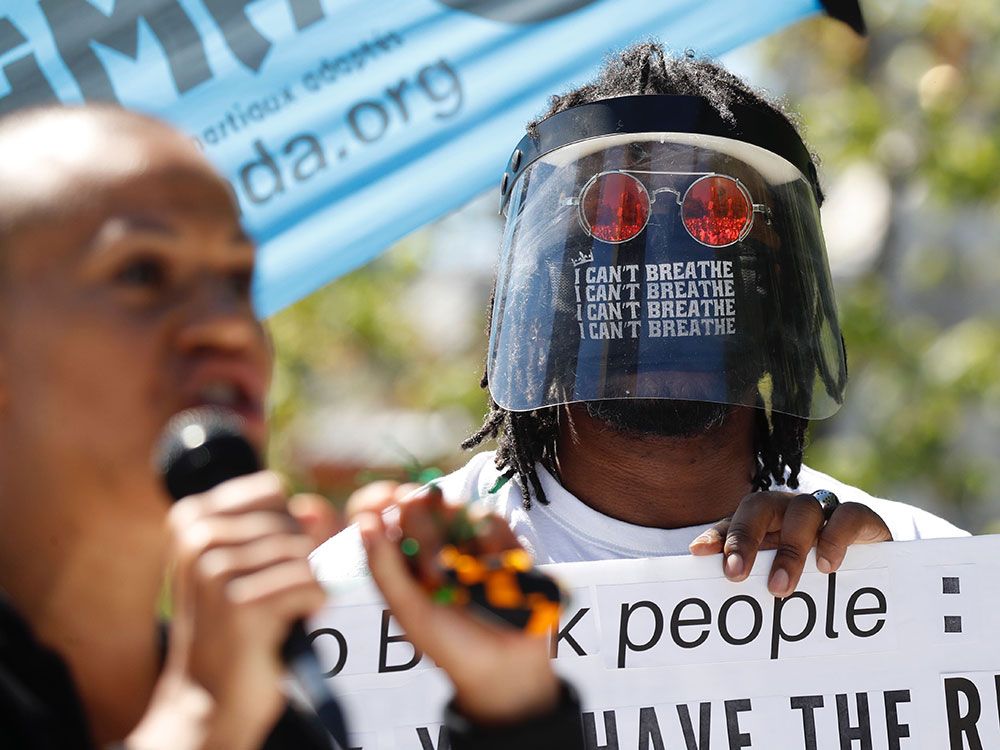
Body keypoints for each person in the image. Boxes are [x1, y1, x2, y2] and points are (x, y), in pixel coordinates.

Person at [0, 105, 583, 749]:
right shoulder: (225, 704)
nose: (227, 325)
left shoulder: (268, 710)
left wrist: (512, 706)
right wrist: (201, 720)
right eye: (141, 273)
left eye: (237, 280)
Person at [312, 44, 967, 601]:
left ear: (786, 289)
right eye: (612, 219)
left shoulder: (918, 566)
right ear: (540, 286)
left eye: (717, 217)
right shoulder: (378, 593)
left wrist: (896, 596)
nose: (661, 263)